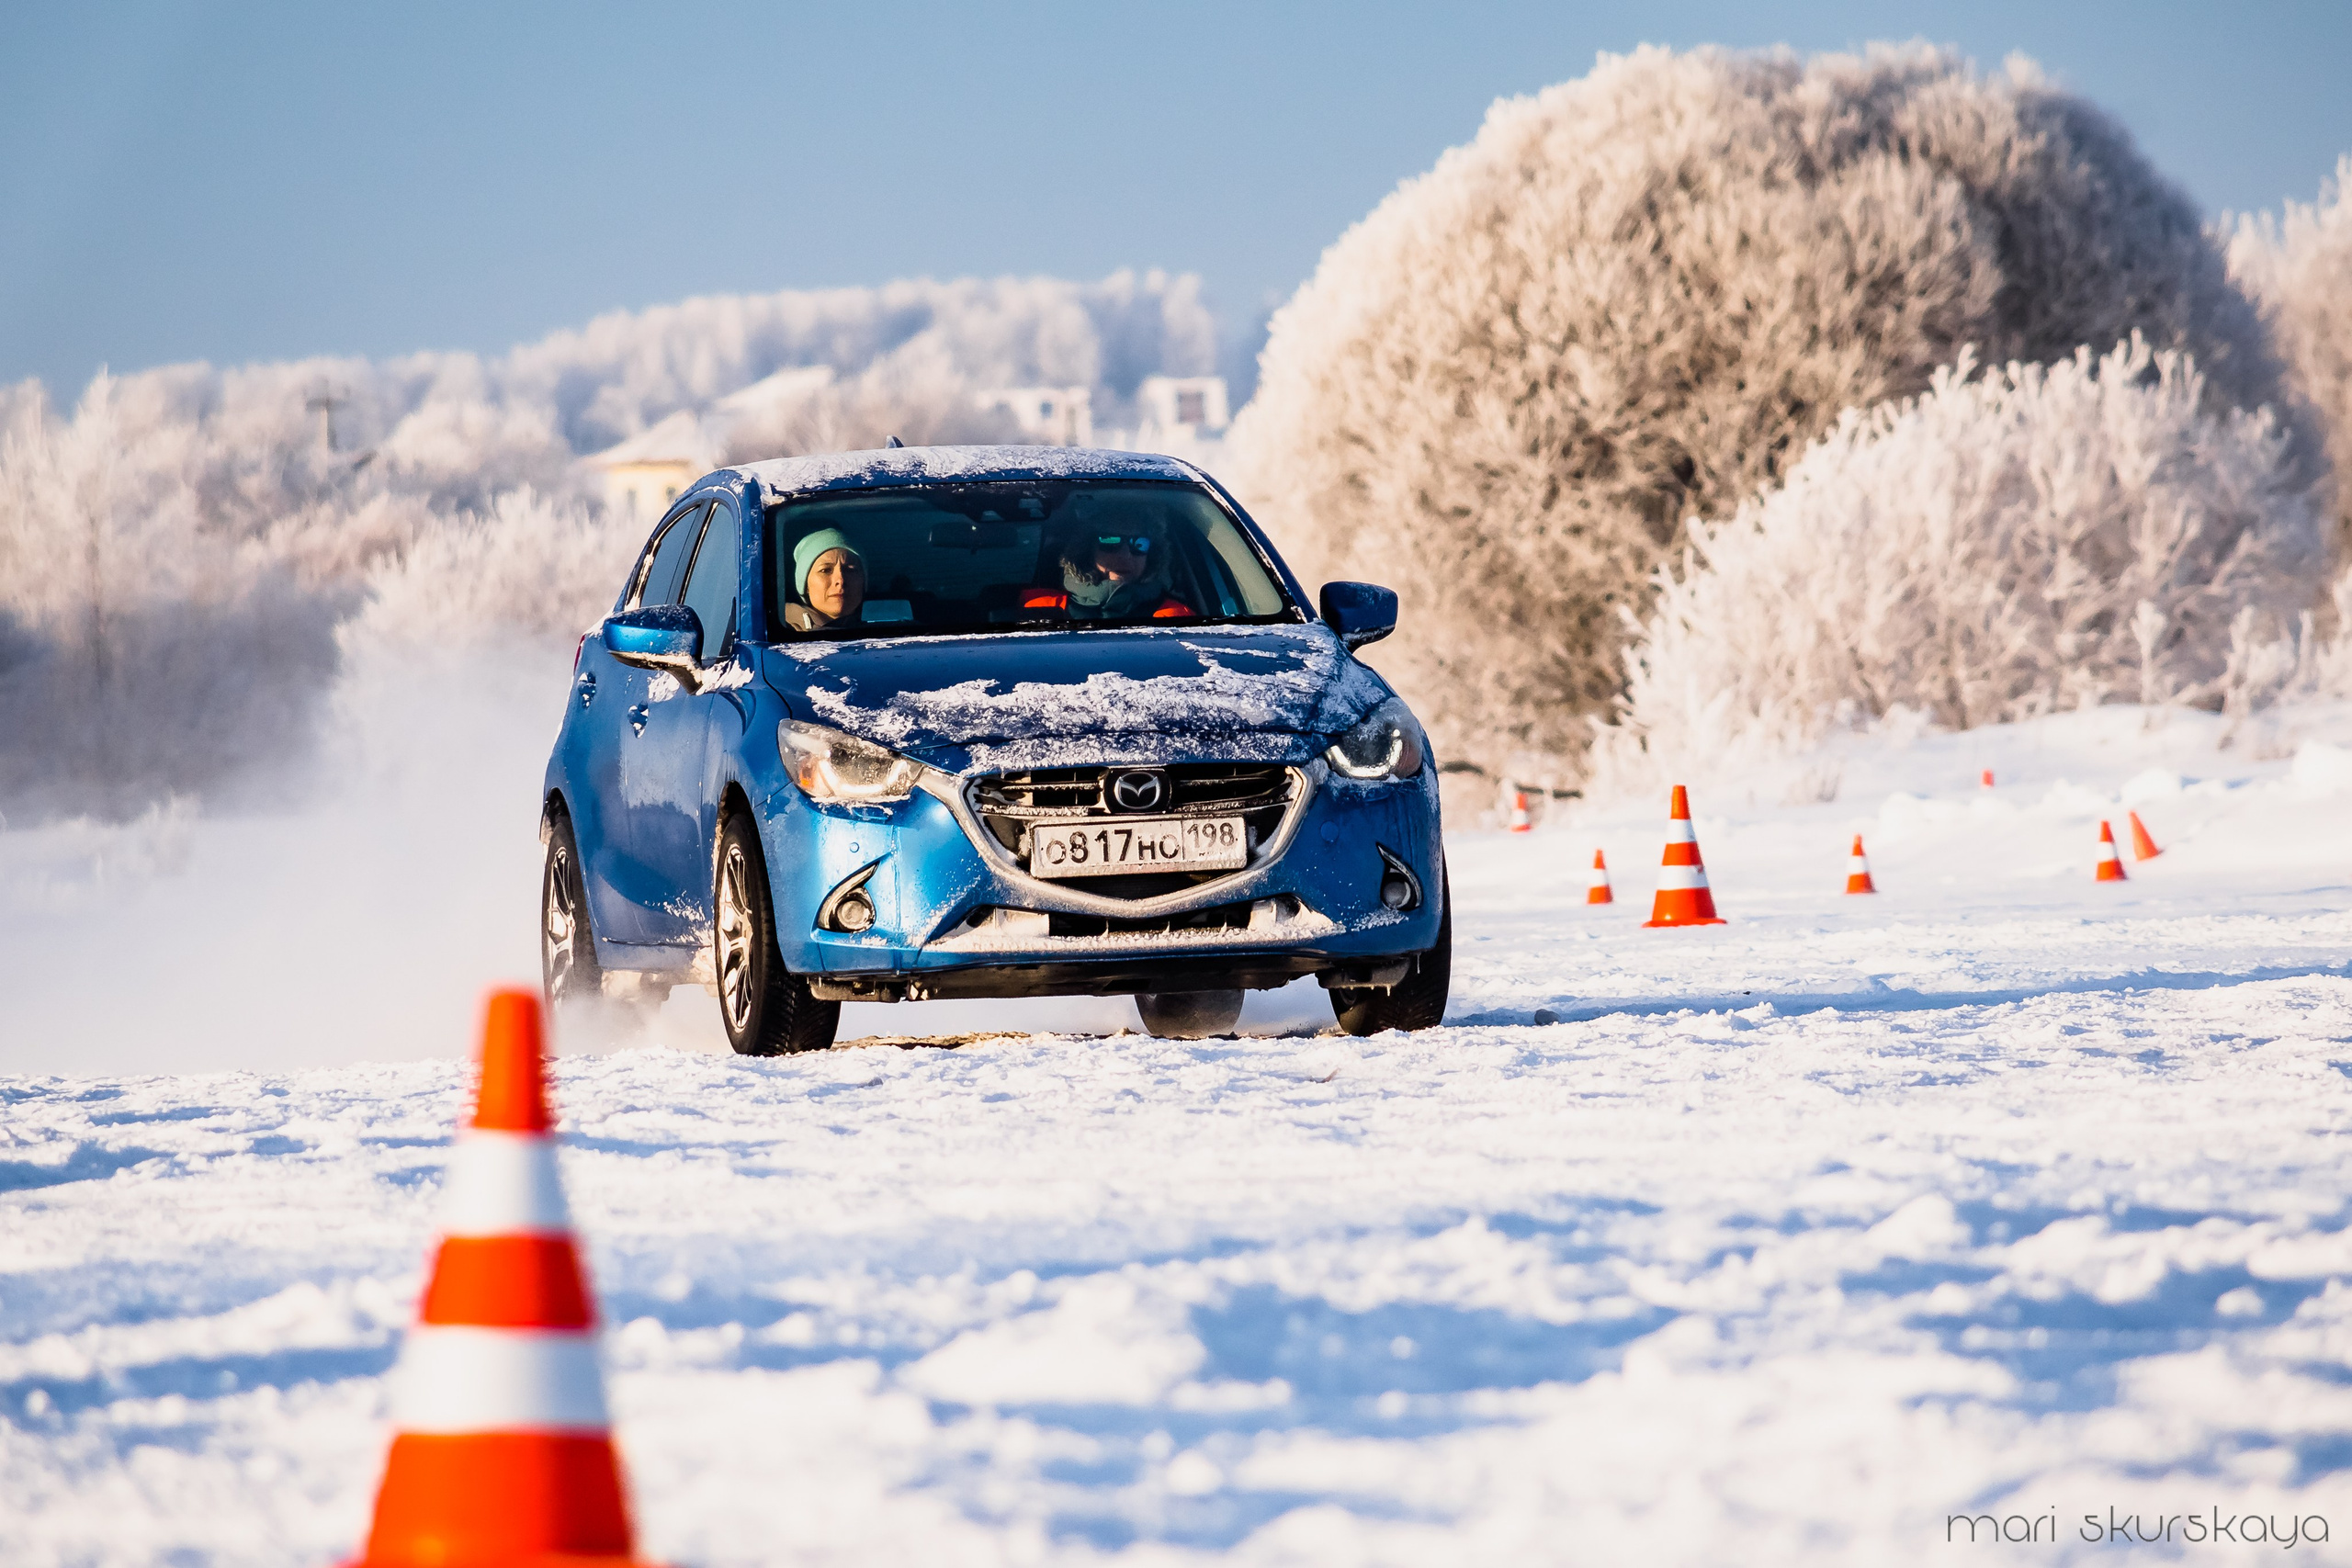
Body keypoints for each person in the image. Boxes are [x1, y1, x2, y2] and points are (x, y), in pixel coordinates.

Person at [1022, 525, 1194, 619]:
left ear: (1152, 555)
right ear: (1086, 550)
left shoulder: (1174, 617)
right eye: (1110, 541)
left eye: (1139, 543)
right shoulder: (1039, 607)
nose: (1126, 555)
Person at [785, 528, 866, 631]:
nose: (840, 580)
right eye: (825, 570)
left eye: (850, 570)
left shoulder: (883, 632)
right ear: (806, 586)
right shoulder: (780, 635)